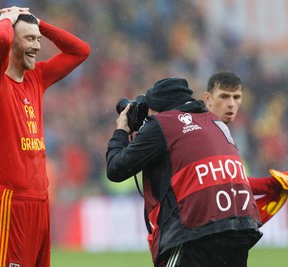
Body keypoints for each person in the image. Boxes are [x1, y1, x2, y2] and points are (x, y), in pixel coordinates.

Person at [0, 6, 90, 267]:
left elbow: (80, 51)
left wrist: (39, 23)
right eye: (29, 39)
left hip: (40, 203)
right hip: (12, 204)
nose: (38, 46)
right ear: (12, 41)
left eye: (39, 39)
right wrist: (8, 19)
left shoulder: (36, 77)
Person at [106, 77, 263, 267]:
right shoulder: (215, 121)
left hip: (197, 229)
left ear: (158, 107)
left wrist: (121, 131)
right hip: (241, 227)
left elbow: (115, 169)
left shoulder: (162, 123)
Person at [203, 71, 288, 224]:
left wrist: (273, 184)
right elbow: (219, 186)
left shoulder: (224, 133)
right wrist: (270, 185)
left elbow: (233, 184)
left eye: (236, 97)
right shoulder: (201, 133)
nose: (231, 103)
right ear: (208, 99)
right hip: (198, 229)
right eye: (224, 96)